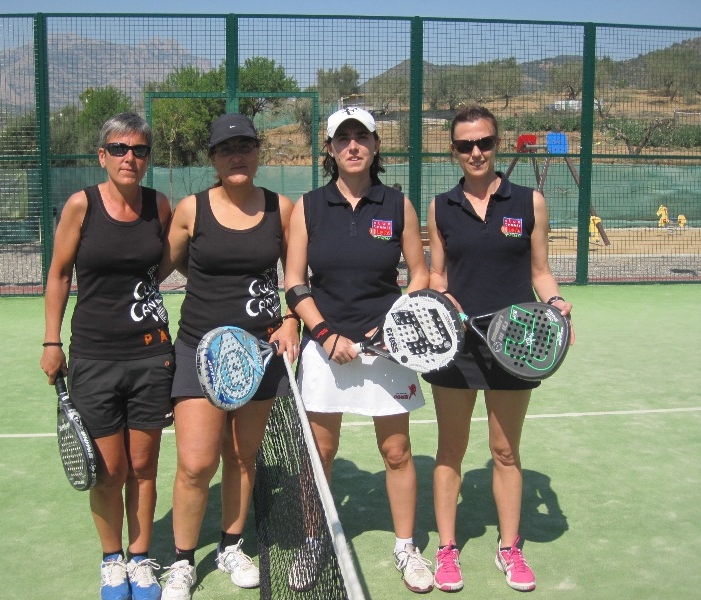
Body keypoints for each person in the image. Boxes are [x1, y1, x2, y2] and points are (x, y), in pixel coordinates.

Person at [422, 104, 575, 593]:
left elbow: (539, 271)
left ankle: (510, 548)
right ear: (453, 151)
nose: (476, 152)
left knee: (505, 452)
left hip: (518, 343)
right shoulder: (441, 206)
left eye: (484, 142)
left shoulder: (530, 201)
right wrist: (440, 294)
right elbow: (438, 274)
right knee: (450, 450)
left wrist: (553, 299)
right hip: (458, 347)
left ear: (497, 143)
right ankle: (446, 549)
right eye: (465, 145)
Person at [283, 107, 434, 594]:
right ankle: (312, 542)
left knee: (396, 451)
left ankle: (406, 547)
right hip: (324, 348)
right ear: (329, 149)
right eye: (342, 138)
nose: (353, 145)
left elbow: (420, 273)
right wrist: (325, 335)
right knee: (320, 452)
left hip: (388, 352)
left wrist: (398, 325)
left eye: (361, 137)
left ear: (374, 146)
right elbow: (294, 281)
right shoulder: (307, 207)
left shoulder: (399, 205)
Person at [157, 113, 299, 600]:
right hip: (200, 350)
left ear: (259, 152)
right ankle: (181, 562)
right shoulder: (191, 209)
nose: (236, 155)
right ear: (213, 159)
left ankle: (231, 546)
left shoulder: (283, 209)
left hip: (260, 354)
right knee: (196, 465)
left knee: (243, 457)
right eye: (226, 149)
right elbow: (162, 267)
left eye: (245, 146)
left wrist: (291, 319)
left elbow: (298, 274)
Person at [40, 112, 174, 600]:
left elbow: (160, 268)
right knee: (107, 468)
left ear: (147, 157)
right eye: (119, 149)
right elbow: (58, 275)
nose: (129, 158)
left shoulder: (159, 206)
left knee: (143, 465)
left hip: (150, 356)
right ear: (102, 155)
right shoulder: (81, 206)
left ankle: (139, 560)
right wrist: (52, 342)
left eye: (139, 150)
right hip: (92, 358)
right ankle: (111, 560)